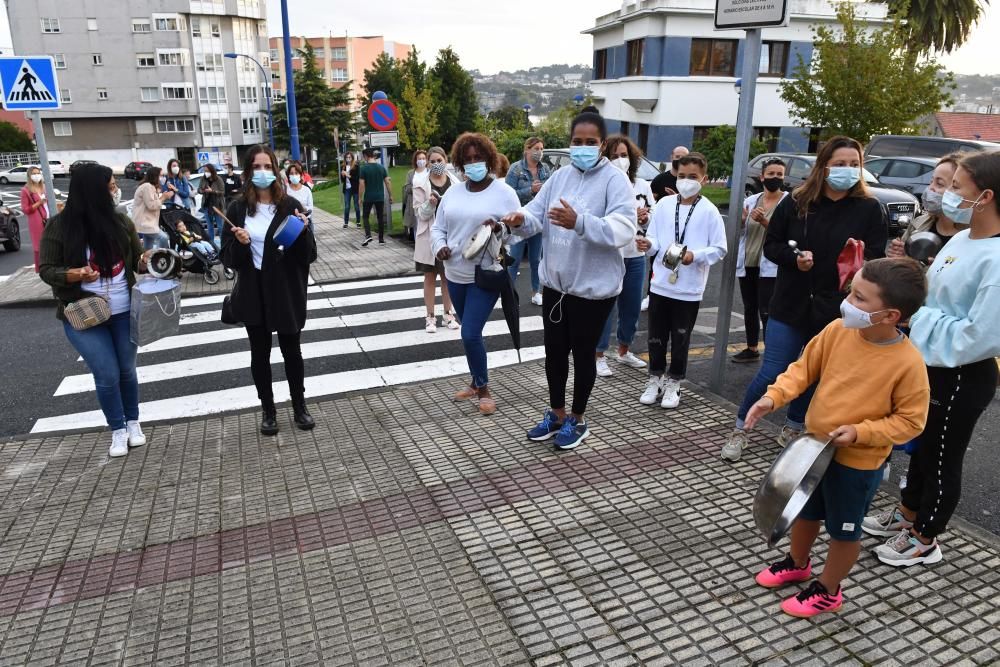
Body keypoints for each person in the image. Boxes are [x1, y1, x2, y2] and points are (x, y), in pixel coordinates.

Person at [744, 258, 929, 618]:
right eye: (851, 291)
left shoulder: (908, 363)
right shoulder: (836, 331)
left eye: (860, 298)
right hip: (814, 450)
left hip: (857, 464)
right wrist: (772, 397)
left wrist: (862, 432)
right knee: (805, 512)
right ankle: (797, 562)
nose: (848, 302)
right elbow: (802, 370)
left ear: (891, 315)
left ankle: (829, 589)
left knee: (844, 529)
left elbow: (911, 422)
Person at [865, 151, 1000, 567]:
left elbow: (981, 335)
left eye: (957, 187)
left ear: (986, 196)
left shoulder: (996, 258)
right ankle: (907, 514)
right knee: (922, 446)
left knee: (942, 453)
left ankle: (926, 536)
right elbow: (933, 298)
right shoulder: (961, 239)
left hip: (962, 371)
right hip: (928, 362)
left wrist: (921, 319)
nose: (945, 194)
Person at [721, 136, 887, 462]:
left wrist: (858, 263)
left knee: (815, 373)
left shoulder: (870, 209)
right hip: (790, 302)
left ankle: (793, 427)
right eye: (840, 164)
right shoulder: (797, 201)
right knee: (773, 372)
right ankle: (741, 428)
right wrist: (793, 260)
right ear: (823, 167)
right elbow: (773, 244)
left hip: (835, 308)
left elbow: (875, 258)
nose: (848, 170)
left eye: (854, 164)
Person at [502, 107, 637, 450]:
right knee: (555, 353)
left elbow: (623, 229)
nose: (583, 147)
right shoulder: (559, 178)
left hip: (592, 290)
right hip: (555, 285)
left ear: (603, 144)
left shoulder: (615, 181)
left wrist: (580, 221)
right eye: (577, 141)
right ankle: (556, 413)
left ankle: (577, 419)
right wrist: (519, 219)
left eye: (590, 142)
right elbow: (536, 215)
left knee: (582, 354)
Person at [38, 164, 151, 458]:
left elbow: (136, 261)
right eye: (110, 185)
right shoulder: (59, 226)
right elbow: (47, 270)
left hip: (124, 311)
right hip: (83, 313)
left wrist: (150, 260)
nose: (115, 190)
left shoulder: (121, 222)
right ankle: (117, 428)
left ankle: (133, 422)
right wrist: (74, 274)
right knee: (106, 372)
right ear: (93, 190)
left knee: (126, 370)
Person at [220, 144, 318, 435]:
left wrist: (302, 232)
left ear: (275, 171)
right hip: (253, 290)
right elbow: (227, 257)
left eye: (267, 167)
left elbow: (308, 255)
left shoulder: (289, 206)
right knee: (259, 354)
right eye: (256, 167)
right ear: (248, 172)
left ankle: (299, 405)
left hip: (286, 290)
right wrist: (240, 244)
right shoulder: (237, 209)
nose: (262, 173)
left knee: (292, 350)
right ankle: (268, 410)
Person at [431, 133, 520, 415]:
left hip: (485, 274)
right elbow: (438, 228)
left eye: (478, 158)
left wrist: (499, 229)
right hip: (454, 273)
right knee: (472, 333)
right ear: (459, 162)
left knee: (469, 332)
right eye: (467, 159)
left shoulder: (504, 193)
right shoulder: (453, 193)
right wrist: (440, 247)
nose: (473, 163)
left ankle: (483, 389)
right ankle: (474, 381)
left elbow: (518, 232)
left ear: (489, 159)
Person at [635, 152, 726, 408]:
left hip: (688, 289)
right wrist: (647, 244)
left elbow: (720, 248)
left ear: (704, 179)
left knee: (681, 338)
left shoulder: (709, 211)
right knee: (655, 336)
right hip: (660, 284)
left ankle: (675, 382)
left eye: (693, 177)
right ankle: (655, 378)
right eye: (682, 176)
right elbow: (655, 239)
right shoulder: (664, 205)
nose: (686, 181)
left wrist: (695, 255)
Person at [595, 134, 653, 377]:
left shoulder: (642, 185)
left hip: (635, 254)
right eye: (614, 156)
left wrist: (645, 217)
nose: (620, 160)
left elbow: (653, 216)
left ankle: (624, 349)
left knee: (631, 306)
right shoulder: (601, 185)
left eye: (624, 155)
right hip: (610, 256)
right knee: (606, 307)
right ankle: (597, 354)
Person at [732, 157, 788, 363]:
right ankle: (751, 348)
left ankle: (771, 353)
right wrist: (743, 220)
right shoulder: (750, 200)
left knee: (767, 310)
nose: (775, 178)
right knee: (749, 307)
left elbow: (785, 235)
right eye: (771, 174)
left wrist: (764, 220)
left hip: (771, 266)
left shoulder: (788, 202)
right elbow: (739, 230)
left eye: (779, 175)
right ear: (762, 176)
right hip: (749, 260)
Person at [887, 153, 966, 265]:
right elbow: (899, 270)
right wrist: (899, 257)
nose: (930, 189)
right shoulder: (919, 223)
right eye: (931, 182)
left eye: (939, 184)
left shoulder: (973, 235)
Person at [414, 146, 460, 333]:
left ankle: (448, 314)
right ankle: (430, 316)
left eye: (439, 160)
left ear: (445, 160)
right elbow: (420, 213)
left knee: (447, 278)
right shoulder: (421, 183)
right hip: (429, 237)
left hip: (450, 237)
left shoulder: (455, 183)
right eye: (432, 161)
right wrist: (430, 204)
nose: (435, 164)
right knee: (430, 277)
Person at [505, 137, 551, 307]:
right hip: (519, 220)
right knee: (514, 259)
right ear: (527, 150)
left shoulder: (545, 169)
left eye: (541, 148)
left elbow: (550, 191)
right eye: (536, 148)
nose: (539, 152)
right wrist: (529, 190)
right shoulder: (516, 169)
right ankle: (508, 293)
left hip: (537, 221)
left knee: (536, 259)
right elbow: (509, 195)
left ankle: (536, 292)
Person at [131, 167, 173, 250]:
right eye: (161, 175)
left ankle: (147, 260)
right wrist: (164, 197)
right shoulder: (147, 187)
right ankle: (161, 257)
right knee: (163, 238)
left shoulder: (150, 187)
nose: (163, 177)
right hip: (146, 223)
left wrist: (162, 197)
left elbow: (153, 204)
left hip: (148, 222)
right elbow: (152, 205)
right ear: (155, 176)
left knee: (148, 247)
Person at [359, 149, 391, 247]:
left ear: (365, 156)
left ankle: (368, 235)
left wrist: (360, 197)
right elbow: (387, 182)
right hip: (380, 197)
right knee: (380, 217)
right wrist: (391, 195)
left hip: (368, 196)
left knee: (365, 216)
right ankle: (381, 239)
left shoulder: (364, 169)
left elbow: (361, 184)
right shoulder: (381, 168)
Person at [20, 165, 48, 272]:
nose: (36, 175)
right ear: (29, 176)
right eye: (34, 174)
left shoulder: (44, 186)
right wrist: (39, 203)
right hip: (36, 220)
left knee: (50, 241)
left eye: (38, 173)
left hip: (48, 216)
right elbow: (25, 209)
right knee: (39, 244)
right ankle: (40, 268)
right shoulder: (25, 190)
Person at [403, 150, 428, 244]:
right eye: (419, 159)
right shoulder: (411, 173)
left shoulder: (429, 171)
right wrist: (416, 188)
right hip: (414, 204)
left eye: (423, 158)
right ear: (416, 160)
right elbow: (407, 188)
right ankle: (418, 246)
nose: (421, 160)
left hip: (427, 203)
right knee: (416, 226)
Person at [198, 163, 225, 246]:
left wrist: (212, 191)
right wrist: (202, 191)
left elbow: (222, 192)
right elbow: (199, 189)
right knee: (210, 227)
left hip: (217, 205)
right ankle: (211, 245)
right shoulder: (203, 179)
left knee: (220, 226)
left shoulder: (218, 179)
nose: (206, 172)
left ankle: (223, 244)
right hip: (207, 205)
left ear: (211, 171)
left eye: (207, 171)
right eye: (205, 171)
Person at [341, 153, 361, 229]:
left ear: (352, 158)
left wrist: (347, 175)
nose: (348, 158)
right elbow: (343, 180)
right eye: (347, 157)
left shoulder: (356, 166)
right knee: (347, 206)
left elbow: (356, 178)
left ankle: (358, 222)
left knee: (356, 206)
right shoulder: (343, 167)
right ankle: (346, 223)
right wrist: (343, 176)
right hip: (347, 189)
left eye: (349, 157)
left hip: (355, 189)